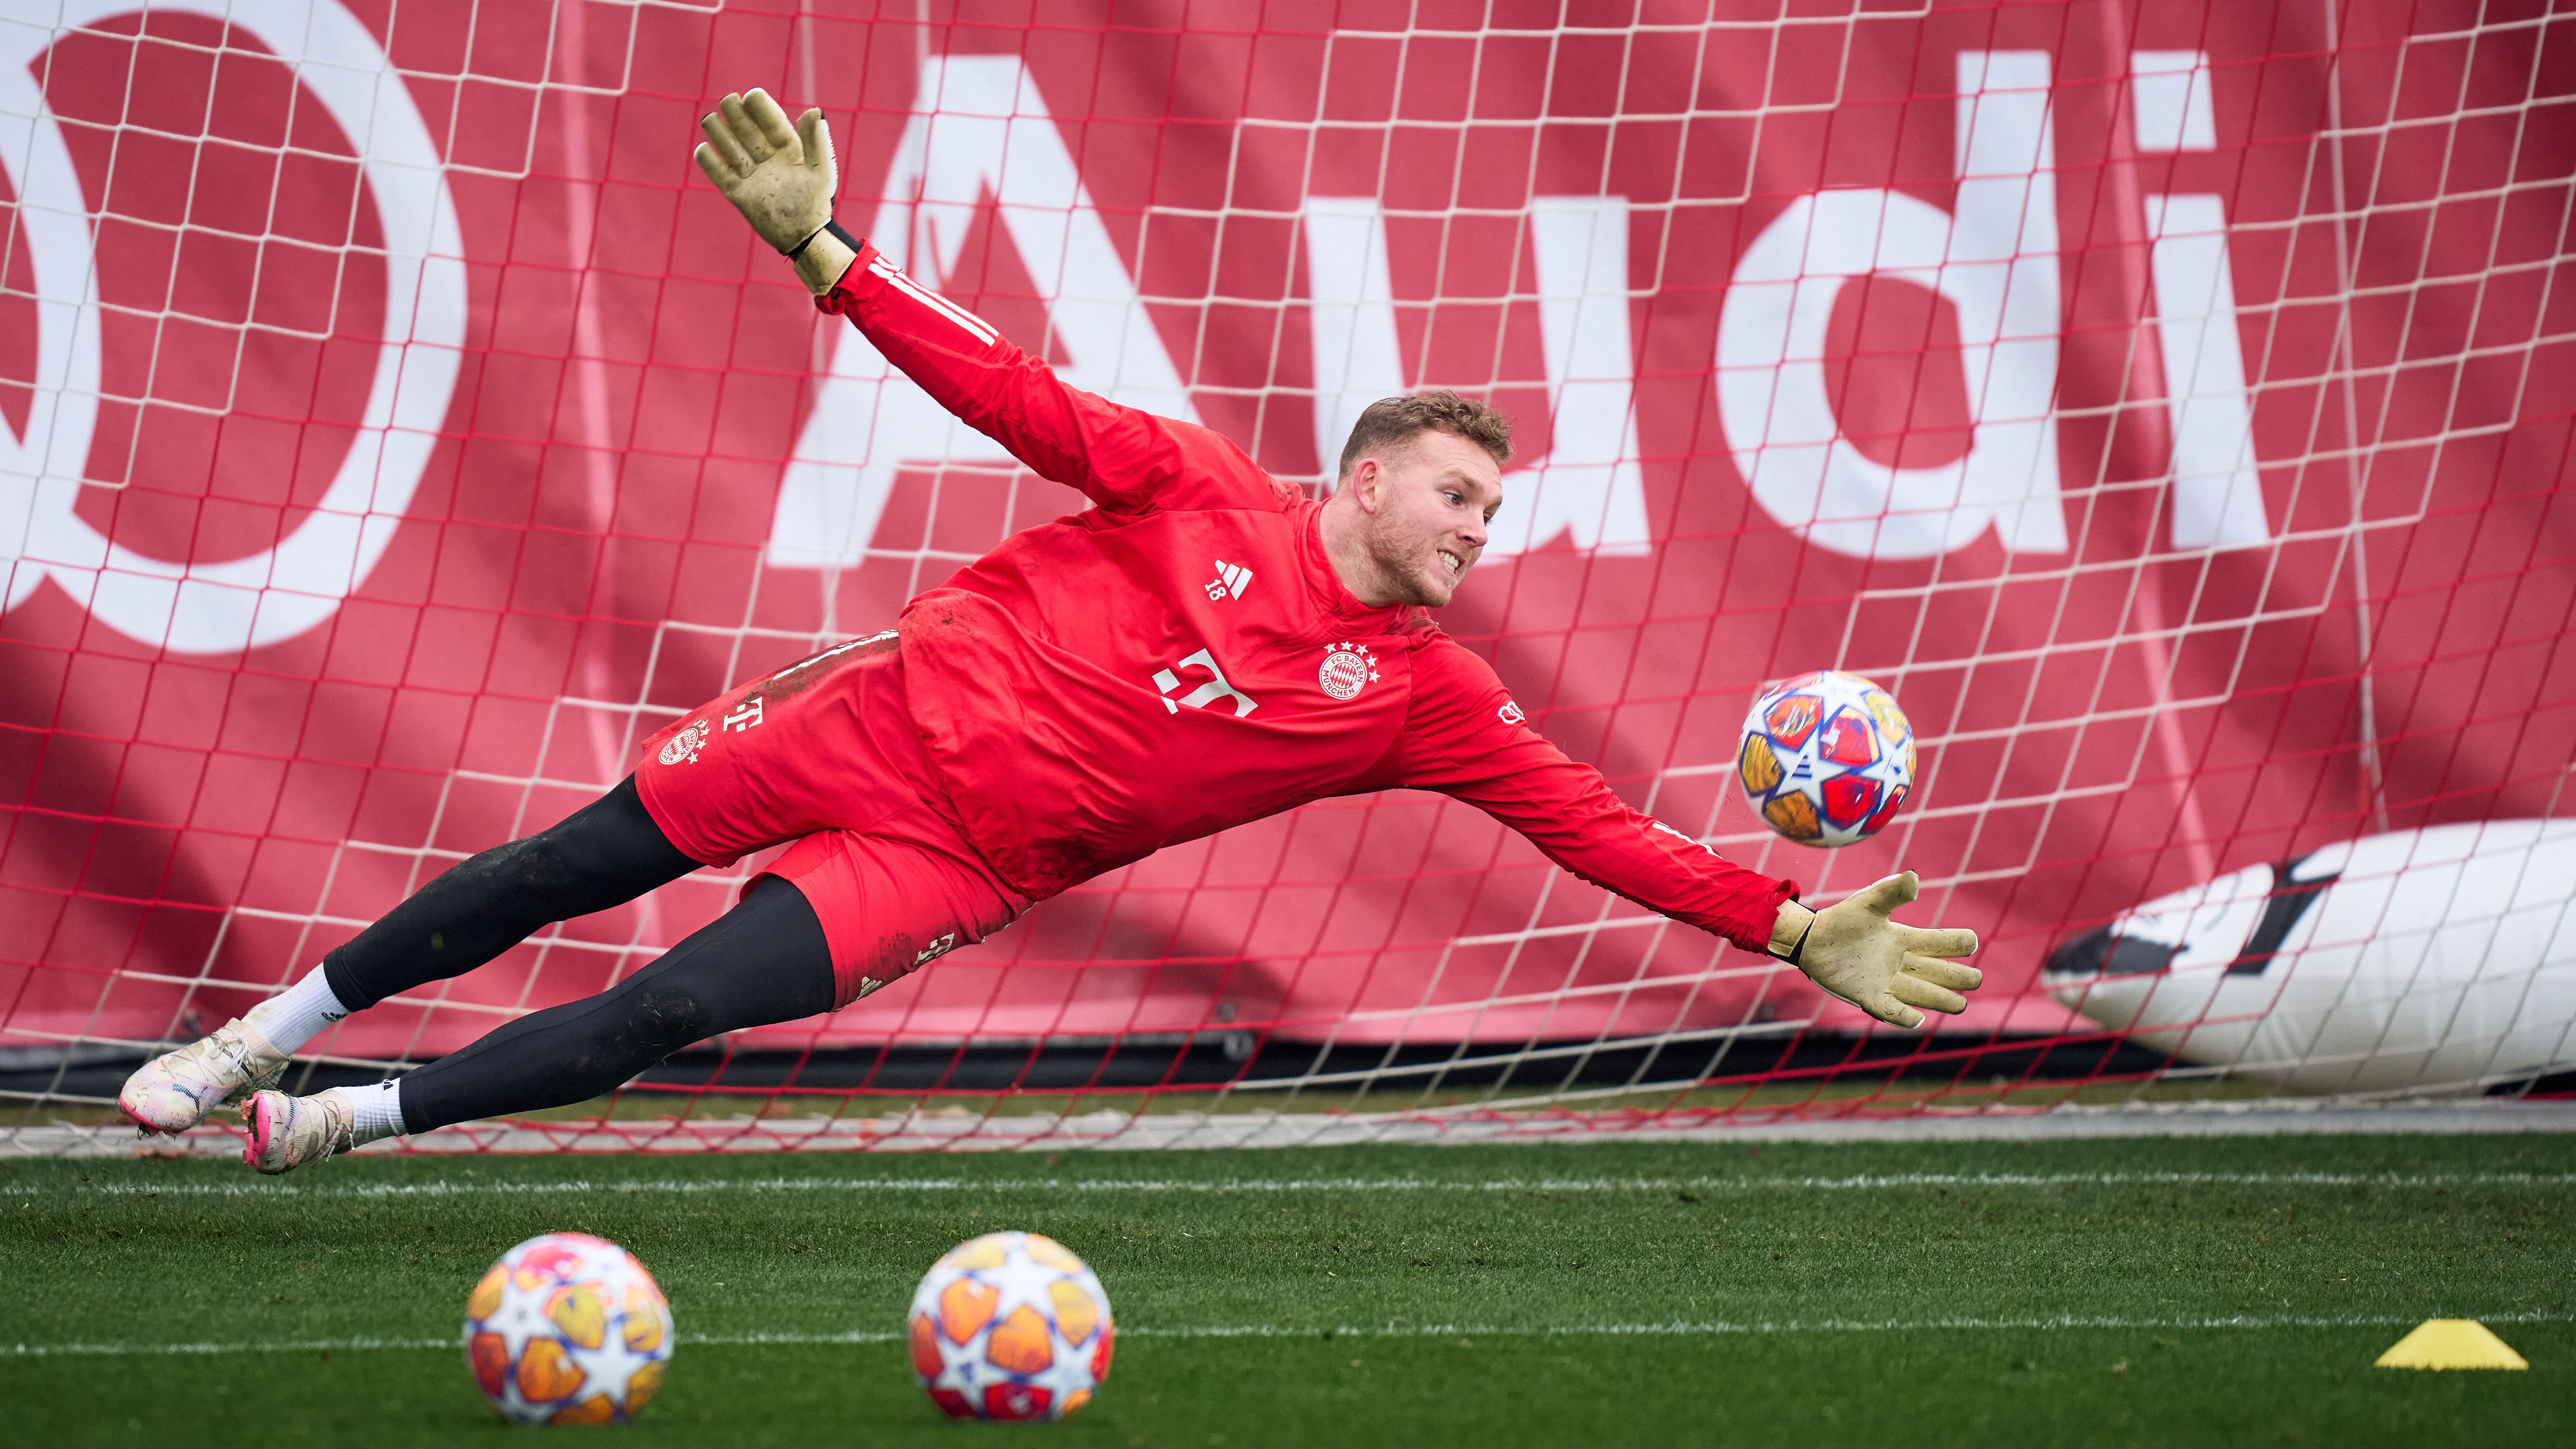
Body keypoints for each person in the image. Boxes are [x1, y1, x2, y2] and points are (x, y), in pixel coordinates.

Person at [119, 90, 1982, 1173]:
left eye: (1492, 513)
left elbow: (1593, 823)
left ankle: (355, 1118)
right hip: (867, 719)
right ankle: (249, 1041)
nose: (1481, 532)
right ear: (1364, 480)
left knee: (682, 1002)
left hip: (956, 853)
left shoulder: (1425, 697)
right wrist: (827, 254)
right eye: (1459, 497)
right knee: (564, 862)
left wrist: (1791, 914)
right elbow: (1005, 387)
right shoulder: (1190, 485)